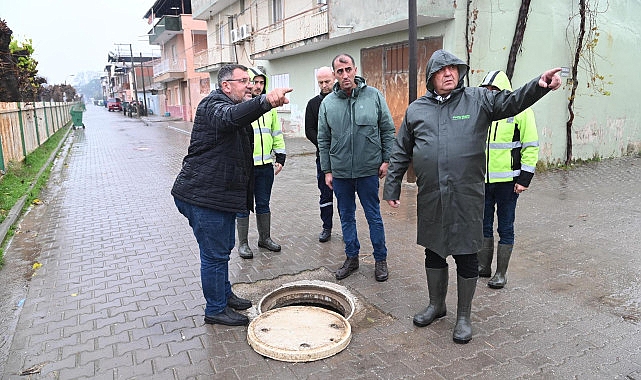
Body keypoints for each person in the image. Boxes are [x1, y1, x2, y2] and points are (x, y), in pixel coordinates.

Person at [383, 49, 561, 343]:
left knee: (467, 255)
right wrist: (392, 186)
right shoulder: (417, 109)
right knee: (434, 251)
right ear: (431, 77)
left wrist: (538, 85)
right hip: (432, 197)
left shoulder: (478, 100)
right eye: (442, 70)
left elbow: (513, 101)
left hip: (467, 197)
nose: (449, 73)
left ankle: (463, 316)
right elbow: (402, 150)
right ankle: (437, 305)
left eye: (453, 68)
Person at [172, 64, 292, 326]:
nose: (249, 85)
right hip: (203, 196)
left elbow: (238, 120)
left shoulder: (231, 107)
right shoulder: (212, 106)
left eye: (250, 81)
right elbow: (230, 116)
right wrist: (265, 101)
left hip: (218, 196)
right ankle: (215, 309)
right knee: (214, 255)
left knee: (222, 251)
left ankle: (224, 295)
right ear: (226, 86)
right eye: (243, 81)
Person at [318, 53, 396, 282]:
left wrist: (386, 159)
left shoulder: (374, 96)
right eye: (340, 72)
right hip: (341, 172)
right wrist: (328, 170)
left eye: (348, 69)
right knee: (346, 216)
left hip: (368, 170)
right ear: (334, 75)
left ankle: (380, 259)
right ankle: (352, 258)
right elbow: (323, 139)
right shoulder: (328, 104)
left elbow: (387, 130)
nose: (345, 75)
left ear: (355, 70)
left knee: (374, 216)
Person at [477, 70, 540, 289]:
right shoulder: (482, 111)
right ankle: (483, 267)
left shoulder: (521, 111)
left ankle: (500, 273)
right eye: (486, 89)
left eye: (493, 90)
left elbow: (530, 146)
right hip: (483, 181)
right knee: (482, 225)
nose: (489, 93)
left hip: (509, 183)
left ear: (504, 91)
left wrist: (524, 179)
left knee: (505, 227)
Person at [235, 67, 287, 259]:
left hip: (265, 166)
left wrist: (280, 156)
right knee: (242, 205)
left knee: (263, 204)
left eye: (261, 83)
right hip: (244, 168)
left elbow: (276, 133)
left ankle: (264, 238)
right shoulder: (239, 107)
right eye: (254, 82)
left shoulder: (270, 108)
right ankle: (243, 244)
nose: (258, 86)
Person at [305, 66, 335, 243]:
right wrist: (324, 145)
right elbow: (309, 130)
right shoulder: (313, 104)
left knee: (345, 196)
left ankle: (348, 229)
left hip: (344, 159)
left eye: (327, 81)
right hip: (323, 158)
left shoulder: (343, 100)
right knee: (325, 194)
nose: (324, 85)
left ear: (334, 78)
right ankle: (327, 227)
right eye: (320, 82)